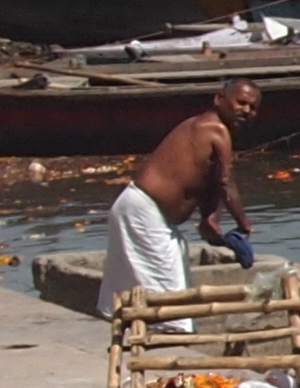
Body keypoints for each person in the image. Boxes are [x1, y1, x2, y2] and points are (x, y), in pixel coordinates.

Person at [101, 83, 262, 309]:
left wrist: (210, 216)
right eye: (241, 103)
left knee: (155, 290)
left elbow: (210, 180)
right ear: (219, 99)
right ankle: (165, 339)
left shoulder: (210, 131)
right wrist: (243, 223)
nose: (246, 111)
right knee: (169, 300)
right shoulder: (215, 128)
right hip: (144, 212)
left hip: (145, 213)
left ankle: (136, 340)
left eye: (253, 107)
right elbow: (226, 182)